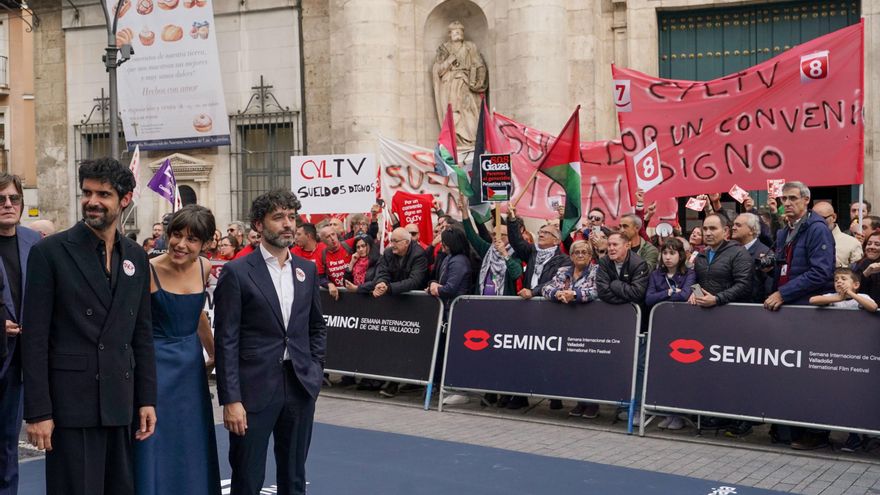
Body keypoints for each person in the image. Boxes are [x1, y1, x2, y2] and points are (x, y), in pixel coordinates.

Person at [22, 158, 157, 495]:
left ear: (124, 200)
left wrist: (146, 399)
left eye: (103, 194)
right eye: (87, 192)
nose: (92, 201)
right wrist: (38, 412)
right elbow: (35, 338)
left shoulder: (136, 257)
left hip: (119, 402)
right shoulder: (50, 252)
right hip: (72, 405)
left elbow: (141, 333)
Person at [214, 189, 326, 495]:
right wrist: (231, 399)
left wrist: (314, 371)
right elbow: (226, 341)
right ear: (259, 225)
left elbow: (315, 327)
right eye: (278, 217)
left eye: (291, 217)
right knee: (247, 478)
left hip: (300, 385)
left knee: (293, 477)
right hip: (253, 390)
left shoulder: (307, 269)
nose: (288, 224)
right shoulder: (236, 272)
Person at [134, 205, 220, 495]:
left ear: (205, 243)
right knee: (155, 437)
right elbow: (135, 326)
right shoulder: (148, 270)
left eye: (192, 239)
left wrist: (214, 353)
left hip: (190, 369)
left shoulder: (204, 266)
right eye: (176, 235)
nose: (181, 244)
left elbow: (199, 316)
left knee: (190, 438)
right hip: (156, 368)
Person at [0, 173, 40, 495]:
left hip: (18, 362)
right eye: (0, 200)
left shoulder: (33, 241)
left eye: (13, 199)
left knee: (8, 444)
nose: (7, 205)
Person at [542, 240, 600, 418]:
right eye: (576, 252)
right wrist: (557, 293)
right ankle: (579, 402)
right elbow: (546, 288)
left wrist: (575, 294)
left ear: (590, 256)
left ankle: (591, 404)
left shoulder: (596, 271)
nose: (580, 255)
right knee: (573, 364)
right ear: (571, 256)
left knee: (589, 366)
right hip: (566, 326)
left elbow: (597, 291)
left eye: (584, 252)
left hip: (589, 325)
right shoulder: (562, 271)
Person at [596, 231, 648, 425]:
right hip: (614, 323)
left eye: (615, 245)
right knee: (620, 363)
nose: (611, 248)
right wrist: (621, 292)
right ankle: (623, 405)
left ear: (627, 246)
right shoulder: (603, 263)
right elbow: (602, 291)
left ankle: (637, 408)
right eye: (609, 244)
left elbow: (637, 293)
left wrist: (615, 284)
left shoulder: (638, 263)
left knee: (639, 366)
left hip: (637, 322)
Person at [644, 237, 694, 430]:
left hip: (682, 328)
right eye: (665, 253)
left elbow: (686, 294)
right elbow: (649, 299)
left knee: (678, 371)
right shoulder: (656, 274)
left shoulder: (689, 273)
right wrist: (669, 293)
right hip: (661, 327)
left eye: (672, 253)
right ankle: (666, 412)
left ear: (680, 255)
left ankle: (679, 414)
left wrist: (674, 293)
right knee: (661, 370)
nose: (668, 257)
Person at [764, 181, 835, 311]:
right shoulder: (784, 231)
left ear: (806, 200)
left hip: (808, 306)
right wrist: (771, 269)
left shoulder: (817, 229)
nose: (786, 203)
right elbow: (788, 268)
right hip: (785, 303)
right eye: (784, 198)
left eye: (793, 198)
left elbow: (820, 272)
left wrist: (783, 294)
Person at [431, 20, 488, 146]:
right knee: (453, 113)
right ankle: (456, 141)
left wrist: (479, 80)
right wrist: (449, 61)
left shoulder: (470, 47)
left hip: (466, 84)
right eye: (455, 31)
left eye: (460, 31)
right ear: (449, 34)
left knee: (469, 111)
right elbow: (438, 70)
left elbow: (479, 65)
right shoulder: (444, 49)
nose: (458, 33)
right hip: (449, 86)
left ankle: (472, 141)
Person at [507, 205, 571, 300]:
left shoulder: (564, 260)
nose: (541, 234)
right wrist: (512, 220)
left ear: (556, 241)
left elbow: (556, 282)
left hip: (549, 303)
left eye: (546, 233)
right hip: (528, 301)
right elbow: (517, 241)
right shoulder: (532, 251)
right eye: (540, 232)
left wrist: (533, 292)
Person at [689, 214, 753, 307]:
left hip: (731, 312)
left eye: (713, 228)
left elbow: (744, 285)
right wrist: (696, 294)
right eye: (705, 229)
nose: (707, 233)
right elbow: (695, 280)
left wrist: (717, 299)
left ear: (725, 231)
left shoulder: (739, 253)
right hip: (703, 313)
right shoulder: (701, 255)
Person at [460, 206, 523, 297]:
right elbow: (471, 234)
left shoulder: (515, 252)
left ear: (509, 237)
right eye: (494, 234)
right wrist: (464, 211)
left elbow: (517, 274)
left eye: (501, 235)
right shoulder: (487, 249)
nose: (496, 237)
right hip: (483, 301)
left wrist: (504, 254)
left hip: (503, 304)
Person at [730, 213, 773, 304]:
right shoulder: (731, 251)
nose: (733, 228)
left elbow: (769, 288)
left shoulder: (765, 253)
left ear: (751, 230)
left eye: (738, 225)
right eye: (733, 224)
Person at [812, 201, 862, 268]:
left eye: (822, 219)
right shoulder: (806, 240)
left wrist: (839, 266)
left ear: (834, 217)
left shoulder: (852, 243)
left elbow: (857, 272)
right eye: (813, 219)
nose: (817, 223)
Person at [318, 224, 353, 301]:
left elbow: (368, 239)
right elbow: (320, 278)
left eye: (333, 234)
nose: (332, 238)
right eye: (328, 237)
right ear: (322, 241)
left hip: (355, 292)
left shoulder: (349, 244)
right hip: (338, 296)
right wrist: (329, 284)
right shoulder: (322, 255)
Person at [851, 231, 880, 303]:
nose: (871, 247)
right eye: (869, 244)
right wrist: (865, 274)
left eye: (877, 244)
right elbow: (852, 291)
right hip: (863, 311)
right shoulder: (860, 264)